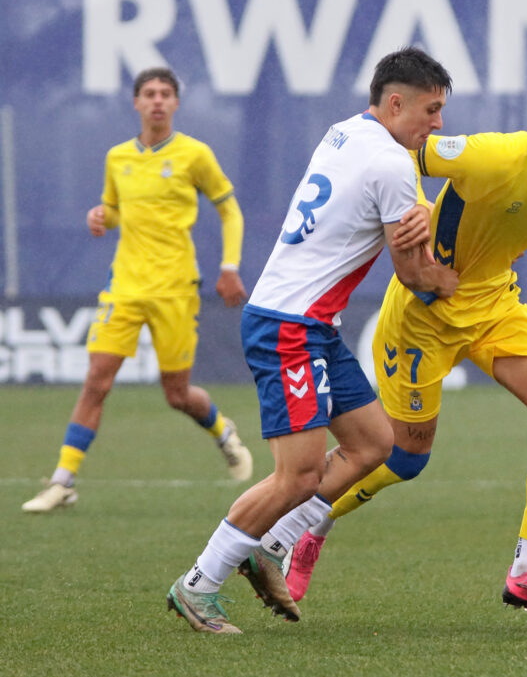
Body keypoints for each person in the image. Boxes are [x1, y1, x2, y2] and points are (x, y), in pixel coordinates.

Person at [270, 83, 527, 617]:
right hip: (424, 318)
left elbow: (504, 229)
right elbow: (401, 151)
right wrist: (417, 210)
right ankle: (308, 527)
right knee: (403, 459)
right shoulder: (494, 156)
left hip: (493, 306)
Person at [166, 47, 459, 634]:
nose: (438, 123)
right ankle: (198, 584)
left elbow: (369, 205)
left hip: (310, 324)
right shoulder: (394, 164)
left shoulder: (344, 132)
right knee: (296, 475)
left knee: (374, 444)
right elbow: (414, 274)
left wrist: (420, 210)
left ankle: (269, 547)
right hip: (289, 327)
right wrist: (452, 278)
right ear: (395, 103)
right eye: (431, 109)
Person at [22, 67, 252, 514]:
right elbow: (113, 210)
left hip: (175, 289)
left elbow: (230, 210)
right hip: (124, 287)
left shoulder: (194, 154)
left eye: (166, 93)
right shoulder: (117, 158)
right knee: (97, 380)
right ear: (136, 102)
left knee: (177, 395)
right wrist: (100, 217)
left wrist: (229, 266)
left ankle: (222, 431)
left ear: (176, 103)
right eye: (149, 93)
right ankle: (63, 480)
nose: (157, 100)